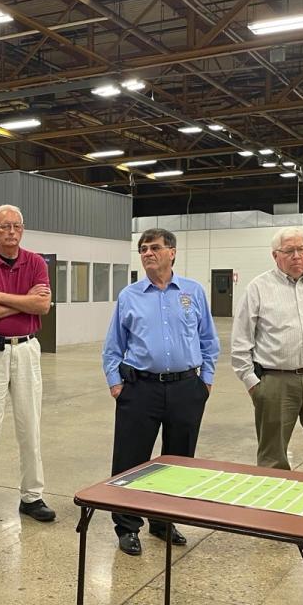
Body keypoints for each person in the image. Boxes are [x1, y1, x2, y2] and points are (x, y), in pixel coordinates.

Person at [101, 228, 220, 556]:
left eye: (154, 247)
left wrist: (204, 382)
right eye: (142, 249)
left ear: (172, 252)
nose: (148, 253)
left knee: (177, 461)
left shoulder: (193, 292)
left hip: (186, 388)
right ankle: (127, 526)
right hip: (140, 389)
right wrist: (116, 384)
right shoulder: (130, 296)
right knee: (131, 460)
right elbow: (113, 347)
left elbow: (209, 339)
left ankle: (164, 521)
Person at [0, 204, 56, 527]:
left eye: (16, 226)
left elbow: (42, 305)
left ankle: (32, 496)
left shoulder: (35, 263)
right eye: (4, 227)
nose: (11, 232)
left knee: (30, 425)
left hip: (27, 350)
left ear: (23, 229)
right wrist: (20, 302)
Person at [230, 227, 303, 475]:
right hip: (276, 383)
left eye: (301, 249)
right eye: (289, 250)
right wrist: (253, 383)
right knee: (273, 457)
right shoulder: (258, 288)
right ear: (275, 255)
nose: (296, 256)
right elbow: (241, 342)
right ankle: (274, 512)